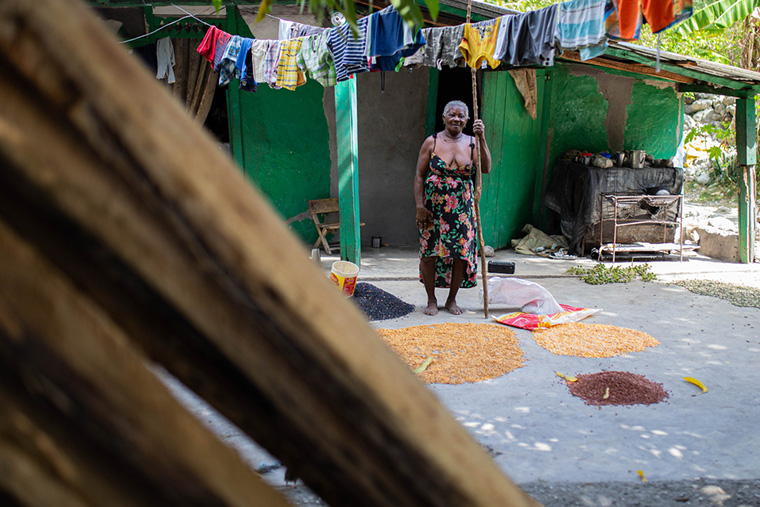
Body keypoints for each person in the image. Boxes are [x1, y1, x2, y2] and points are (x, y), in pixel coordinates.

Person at [414, 100, 491, 316]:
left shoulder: (473, 143)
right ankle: (431, 299)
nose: (456, 118)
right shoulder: (432, 142)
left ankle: (452, 300)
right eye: (452, 114)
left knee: (460, 254)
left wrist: (482, 138)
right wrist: (420, 206)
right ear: (444, 118)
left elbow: (485, 168)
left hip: (462, 211)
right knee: (429, 253)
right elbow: (419, 176)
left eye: (461, 116)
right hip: (433, 210)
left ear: (467, 120)